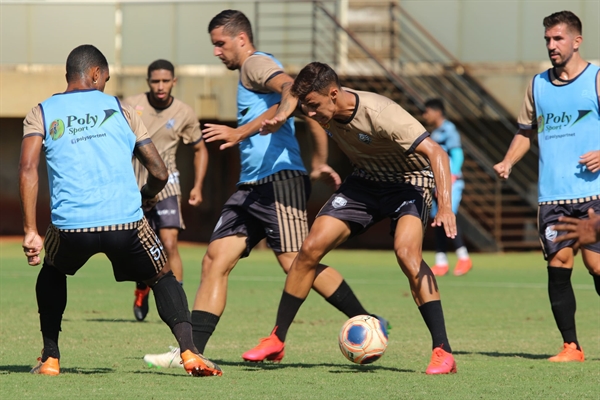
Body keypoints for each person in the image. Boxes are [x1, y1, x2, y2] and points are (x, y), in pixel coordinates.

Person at [142, 10, 386, 369]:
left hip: (279, 181)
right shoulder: (248, 71)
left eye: (220, 43)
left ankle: (369, 321)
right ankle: (189, 352)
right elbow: (303, 111)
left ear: (241, 39)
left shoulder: (256, 63)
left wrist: (241, 132)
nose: (216, 51)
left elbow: (293, 89)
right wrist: (318, 160)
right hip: (252, 185)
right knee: (214, 261)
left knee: (296, 262)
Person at [20, 44, 221, 377]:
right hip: (126, 222)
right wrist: (146, 197)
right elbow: (158, 171)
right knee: (162, 276)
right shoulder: (121, 108)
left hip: (71, 226)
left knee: (53, 271)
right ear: (96, 73)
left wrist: (30, 229)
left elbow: (27, 169)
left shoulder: (41, 111)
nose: (105, 85)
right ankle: (189, 353)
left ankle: (51, 359)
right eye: (106, 78)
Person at [246, 61, 459, 374]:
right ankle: (277, 339)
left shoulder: (381, 113)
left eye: (315, 107)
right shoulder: (317, 104)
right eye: (306, 107)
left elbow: (437, 153)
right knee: (308, 250)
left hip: (410, 182)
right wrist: (274, 119)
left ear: (334, 94)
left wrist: (445, 207)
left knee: (407, 255)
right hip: (365, 182)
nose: (311, 114)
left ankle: (443, 350)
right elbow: (292, 94)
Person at [493, 10, 600, 362]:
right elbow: (526, 132)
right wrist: (509, 160)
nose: (552, 46)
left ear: (576, 41)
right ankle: (571, 346)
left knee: (596, 266)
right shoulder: (537, 85)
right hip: (552, 197)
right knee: (559, 265)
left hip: (593, 194)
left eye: (558, 39)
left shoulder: (596, 78)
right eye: (547, 40)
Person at [124, 59, 208, 322]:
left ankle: (178, 306)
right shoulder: (130, 105)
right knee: (141, 249)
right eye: (155, 81)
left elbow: (200, 149)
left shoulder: (184, 113)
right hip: (136, 185)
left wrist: (197, 186)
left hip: (169, 183)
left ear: (174, 82)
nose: (160, 86)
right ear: (148, 82)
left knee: (170, 243)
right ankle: (141, 288)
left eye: (165, 81)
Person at [422, 98, 472, 276]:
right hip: (438, 182)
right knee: (438, 220)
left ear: (437, 112)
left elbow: (457, 154)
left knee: (449, 216)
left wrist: (451, 177)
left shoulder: (448, 129)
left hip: (449, 182)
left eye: (427, 111)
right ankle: (441, 261)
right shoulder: (435, 132)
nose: (424, 115)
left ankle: (464, 258)